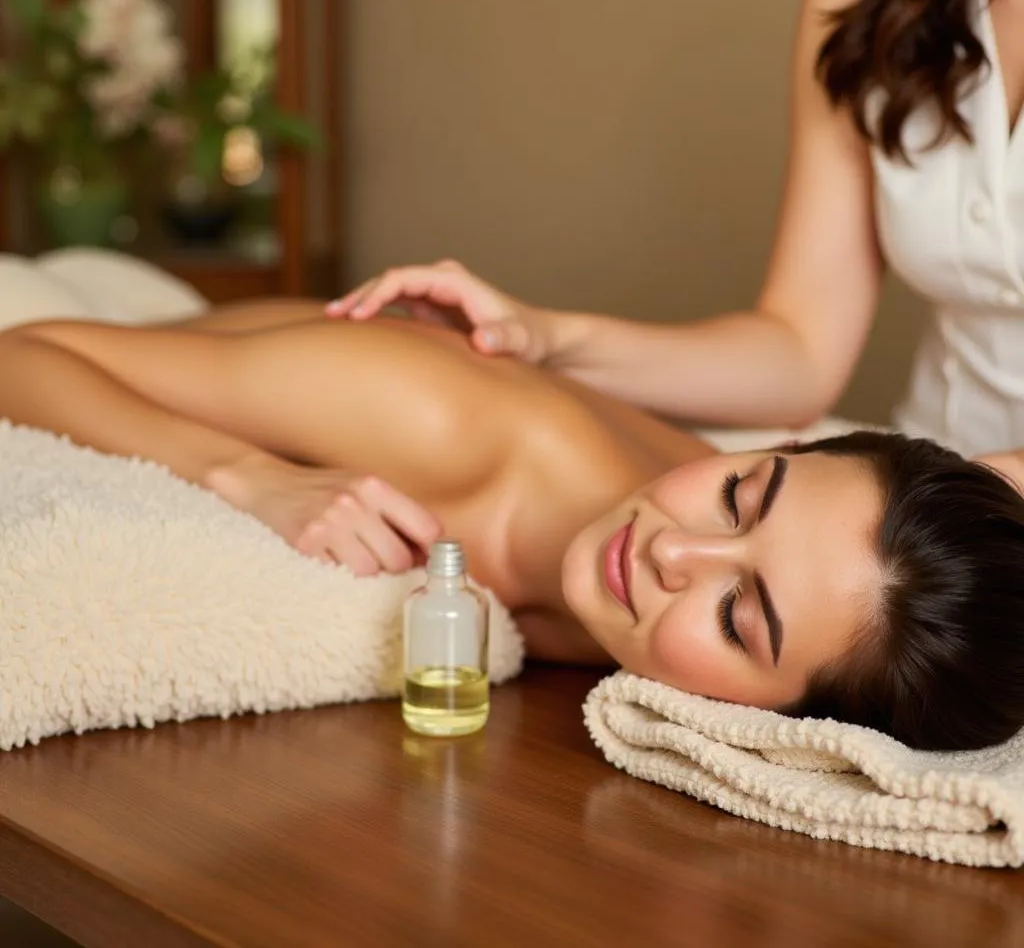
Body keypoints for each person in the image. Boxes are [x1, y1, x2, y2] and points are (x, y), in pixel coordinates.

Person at [1, 300, 1023, 752]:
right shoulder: (443, 425)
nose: (675, 549)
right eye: (740, 495)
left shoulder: (813, 639)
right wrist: (249, 476)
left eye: (739, 613)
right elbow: (22, 353)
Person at [326, 0, 1024, 490]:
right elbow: (800, 352)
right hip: (926, 490)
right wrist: (543, 338)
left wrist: (914, 506)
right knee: (544, 459)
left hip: (942, 517)